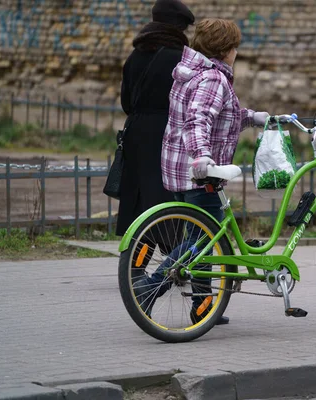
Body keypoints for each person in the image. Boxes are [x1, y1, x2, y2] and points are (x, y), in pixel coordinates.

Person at [134, 18, 270, 325]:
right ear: (225, 50)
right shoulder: (212, 79)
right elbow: (198, 120)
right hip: (199, 173)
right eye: (235, 47)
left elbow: (222, 113)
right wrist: (203, 158)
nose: (237, 52)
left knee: (201, 238)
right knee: (203, 241)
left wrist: (253, 117)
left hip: (178, 169)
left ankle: (203, 308)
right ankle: (151, 287)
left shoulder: (191, 72)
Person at [116, 0, 195, 239]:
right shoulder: (182, 59)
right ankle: (171, 266)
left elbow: (126, 103)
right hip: (168, 136)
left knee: (139, 201)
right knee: (164, 203)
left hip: (136, 134)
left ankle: (135, 267)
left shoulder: (134, 56)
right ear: (178, 27)